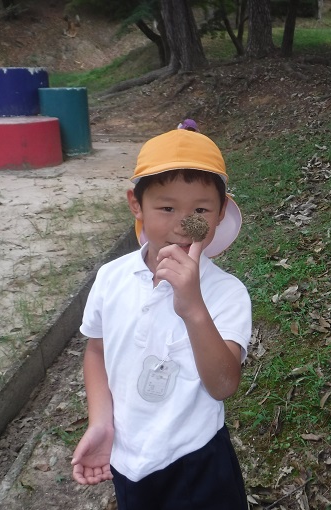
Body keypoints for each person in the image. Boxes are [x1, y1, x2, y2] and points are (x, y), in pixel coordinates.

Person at [71, 129, 251, 510]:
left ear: (220, 213)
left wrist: (192, 306)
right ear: (136, 204)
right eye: (167, 208)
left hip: (198, 460)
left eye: (200, 211)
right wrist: (101, 422)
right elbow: (97, 351)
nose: (184, 224)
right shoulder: (111, 278)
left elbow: (223, 385)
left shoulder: (228, 293)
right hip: (127, 460)